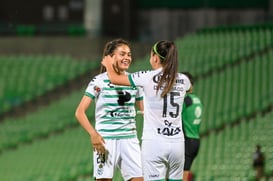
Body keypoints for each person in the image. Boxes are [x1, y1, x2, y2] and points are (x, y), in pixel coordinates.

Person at [102, 40, 191, 181]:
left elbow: (114, 79)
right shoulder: (183, 79)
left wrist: (108, 64)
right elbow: (189, 89)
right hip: (177, 144)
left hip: (154, 143)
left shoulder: (147, 77)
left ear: (155, 57)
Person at [75, 38, 144, 181]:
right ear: (111, 57)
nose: (127, 58)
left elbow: (144, 111)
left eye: (129, 54)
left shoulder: (134, 80)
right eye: (122, 54)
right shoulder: (99, 81)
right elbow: (79, 112)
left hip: (130, 139)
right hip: (105, 141)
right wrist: (93, 134)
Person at [181, 72, 202, 181]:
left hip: (187, 141)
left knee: (182, 175)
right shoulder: (197, 100)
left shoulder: (185, 100)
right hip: (196, 140)